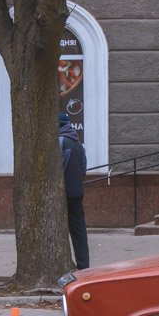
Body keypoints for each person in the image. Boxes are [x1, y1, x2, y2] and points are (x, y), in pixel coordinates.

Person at [59, 112, 90, 269]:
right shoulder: (78, 144)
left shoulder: (60, 141)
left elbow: (58, 168)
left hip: (63, 193)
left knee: (59, 229)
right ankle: (84, 265)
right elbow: (83, 170)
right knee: (79, 231)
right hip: (77, 192)